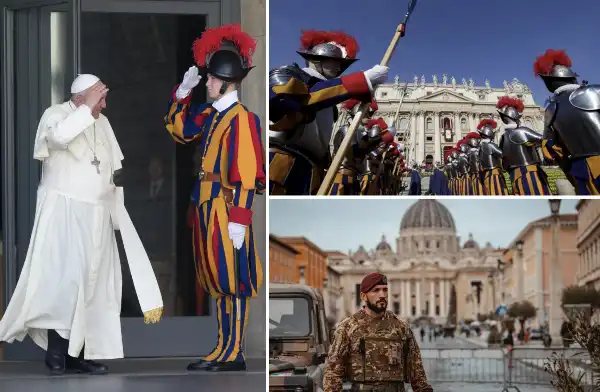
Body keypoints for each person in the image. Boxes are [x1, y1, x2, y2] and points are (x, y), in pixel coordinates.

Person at [0, 74, 163, 375]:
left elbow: (110, 168)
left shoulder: (103, 122)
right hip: (65, 213)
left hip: (98, 216)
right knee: (66, 282)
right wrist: (87, 110)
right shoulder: (56, 114)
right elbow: (59, 138)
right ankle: (57, 353)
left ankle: (79, 354)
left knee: (96, 285)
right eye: (99, 97)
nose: (104, 103)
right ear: (81, 97)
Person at [164, 23, 265, 372]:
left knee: (232, 281)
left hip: (226, 208)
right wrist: (182, 93)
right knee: (215, 281)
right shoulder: (211, 115)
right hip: (206, 205)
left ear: (226, 81)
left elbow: (247, 175)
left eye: (209, 79)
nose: (206, 83)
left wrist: (240, 219)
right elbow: (179, 129)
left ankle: (234, 352)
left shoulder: (243, 119)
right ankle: (221, 347)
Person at [269, 30, 389, 195]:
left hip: (311, 171)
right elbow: (294, 100)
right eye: (335, 61)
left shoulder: (330, 103)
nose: (339, 67)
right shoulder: (287, 74)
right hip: (281, 165)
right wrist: (361, 80)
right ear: (318, 58)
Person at [323, 272, 433, 392]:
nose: (382, 295)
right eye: (376, 290)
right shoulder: (348, 327)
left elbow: (418, 374)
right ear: (364, 296)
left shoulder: (401, 327)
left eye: (385, 290)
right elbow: (332, 375)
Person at [534, 49, 600, 195]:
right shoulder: (593, 91)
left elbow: (551, 149)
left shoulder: (551, 110)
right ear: (572, 78)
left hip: (581, 172)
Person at [497, 95, 551, 195]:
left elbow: (502, 160)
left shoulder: (503, 138)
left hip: (513, 175)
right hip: (530, 172)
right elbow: (545, 139)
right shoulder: (522, 131)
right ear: (516, 118)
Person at [477, 119, 509, 195]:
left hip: (486, 174)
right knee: (499, 192)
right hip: (495, 173)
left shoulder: (480, 147)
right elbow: (503, 154)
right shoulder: (491, 145)